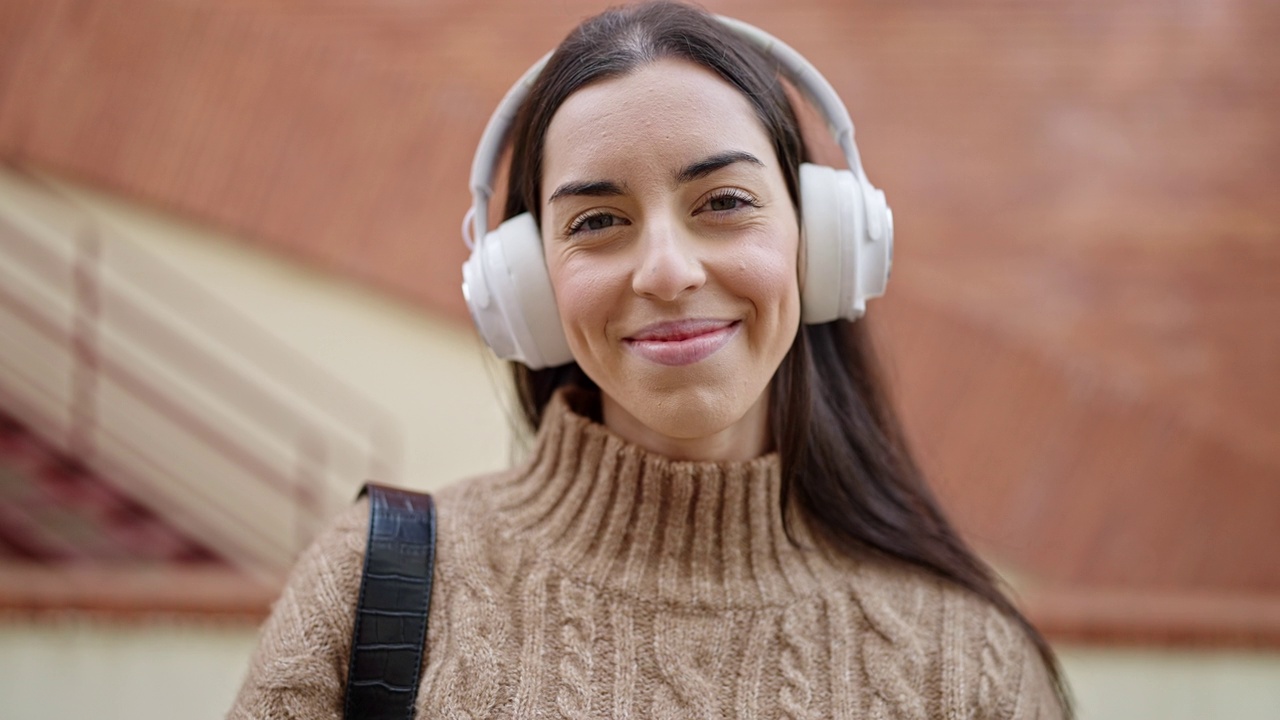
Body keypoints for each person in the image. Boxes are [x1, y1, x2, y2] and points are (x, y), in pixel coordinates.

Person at [230, 2, 1071, 717]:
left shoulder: (970, 668)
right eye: (597, 220)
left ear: (823, 243)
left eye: (725, 203)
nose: (667, 270)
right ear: (525, 284)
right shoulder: (375, 586)